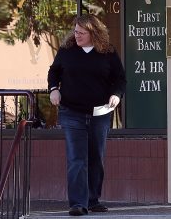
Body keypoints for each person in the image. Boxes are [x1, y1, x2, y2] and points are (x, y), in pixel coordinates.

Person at [48, 14, 126, 216]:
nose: (77, 36)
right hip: (71, 112)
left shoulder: (108, 52)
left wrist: (116, 95)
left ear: (94, 32)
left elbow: (119, 78)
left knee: (95, 157)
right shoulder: (67, 51)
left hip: (100, 113)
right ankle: (77, 203)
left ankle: (92, 200)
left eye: (82, 33)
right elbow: (54, 72)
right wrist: (53, 89)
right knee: (76, 158)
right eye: (76, 32)